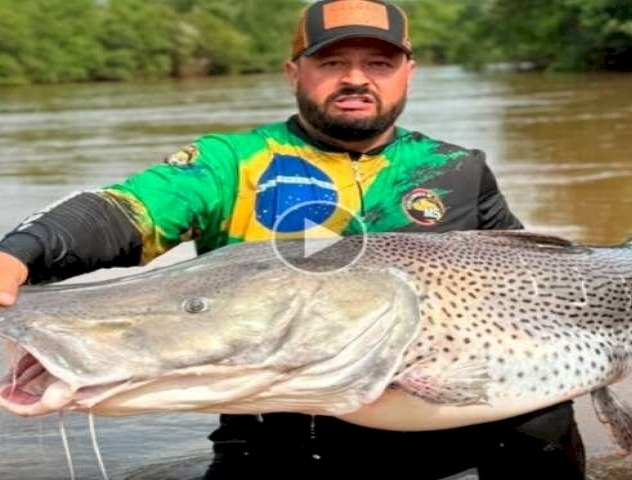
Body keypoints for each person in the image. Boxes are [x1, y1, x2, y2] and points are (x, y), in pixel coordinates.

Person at [0, 1, 586, 479]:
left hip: (440, 430)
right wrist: (17, 254)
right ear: (294, 73)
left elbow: (533, 280)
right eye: (331, 62)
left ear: (408, 73)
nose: (355, 78)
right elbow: (123, 213)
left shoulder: (459, 168)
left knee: (544, 416)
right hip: (278, 444)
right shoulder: (231, 163)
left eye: (378, 63)